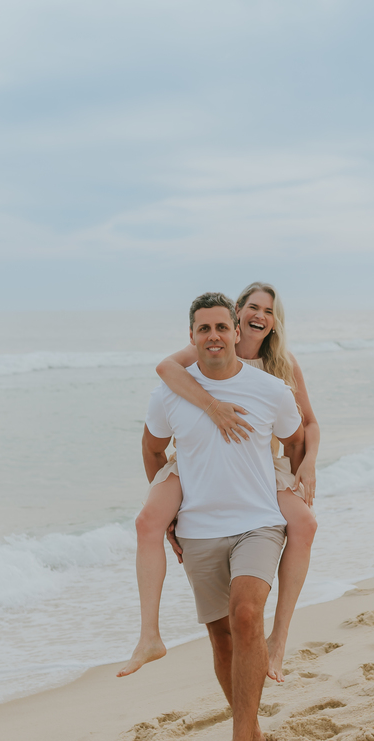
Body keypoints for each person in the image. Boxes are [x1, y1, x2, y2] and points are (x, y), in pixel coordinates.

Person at [139, 292, 305, 741]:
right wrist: (169, 519)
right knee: (222, 640)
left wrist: (292, 486)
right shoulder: (170, 396)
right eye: (202, 329)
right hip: (198, 530)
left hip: (257, 522)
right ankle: (251, 731)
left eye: (220, 327)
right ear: (191, 338)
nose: (213, 336)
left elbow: (295, 441)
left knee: (247, 615)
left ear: (237, 331)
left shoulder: (271, 389)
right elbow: (151, 448)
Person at [117, 282, 320, 682]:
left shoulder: (280, 367)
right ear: (238, 315)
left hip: (258, 462)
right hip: (198, 456)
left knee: (306, 523)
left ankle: (279, 639)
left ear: (275, 322)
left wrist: (308, 464)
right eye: (253, 307)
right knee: (148, 521)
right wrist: (211, 407)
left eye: (269, 310)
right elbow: (164, 371)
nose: (261, 314)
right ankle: (148, 637)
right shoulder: (207, 349)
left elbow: (305, 427)